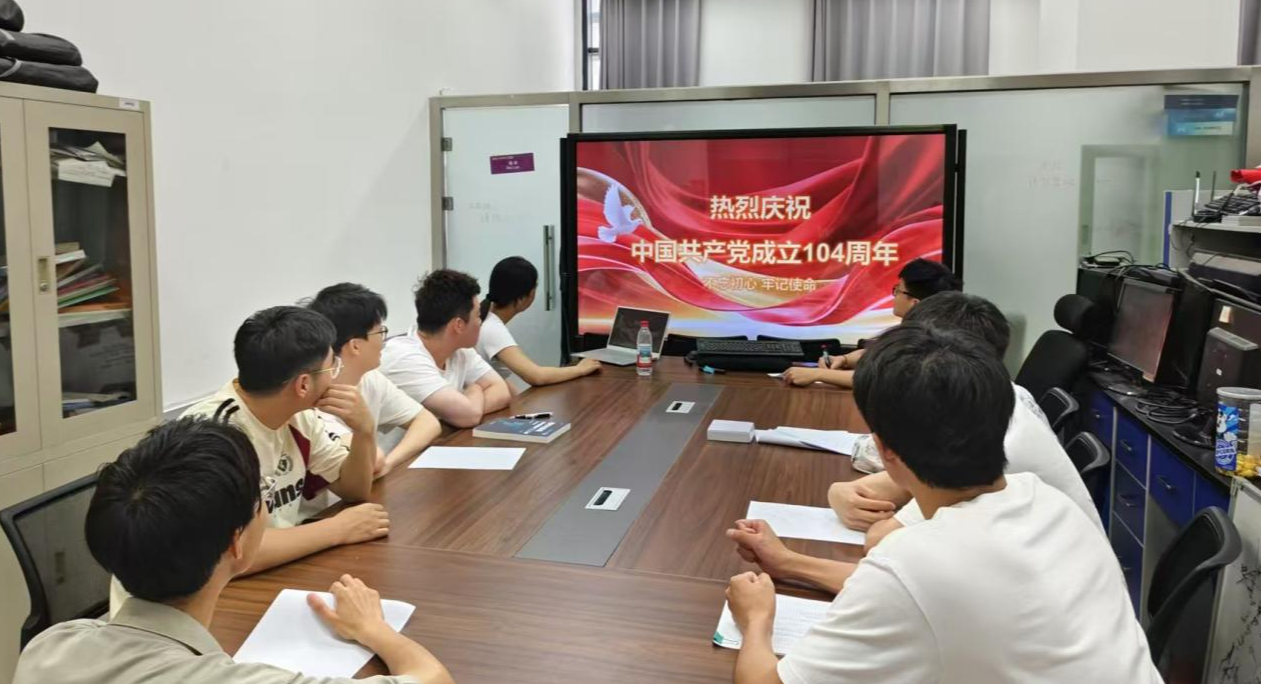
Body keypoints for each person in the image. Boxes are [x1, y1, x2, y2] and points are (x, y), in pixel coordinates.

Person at [724, 325, 1160, 684]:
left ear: (883, 450)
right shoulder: (1046, 501)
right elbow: (908, 591)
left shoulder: (913, 562)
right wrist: (788, 563)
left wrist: (757, 619)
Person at [15, 417, 452, 684]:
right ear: (236, 543)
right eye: (261, 497)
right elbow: (432, 679)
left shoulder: (49, 647)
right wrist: (374, 629)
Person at [108, 307, 390, 611]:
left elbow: (353, 489)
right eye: (331, 365)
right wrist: (338, 529)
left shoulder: (299, 417)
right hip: (176, 606)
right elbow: (231, 552)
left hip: (243, 580)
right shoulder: (216, 435)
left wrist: (364, 431)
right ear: (303, 385)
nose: (336, 372)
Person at [827, 292, 1098, 541]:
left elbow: (881, 538)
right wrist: (839, 493)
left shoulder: (992, 438)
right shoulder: (991, 401)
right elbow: (899, 483)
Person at [306, 283, 442, 476]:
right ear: (355, 346)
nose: (383, 341)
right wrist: (375, 449)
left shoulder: (369, 377)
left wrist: (390, 463)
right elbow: (373, 461)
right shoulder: (314, 400)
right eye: (380, 332)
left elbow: (427, 422)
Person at [782, 258, 960, 388]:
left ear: (914, 303)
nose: (894, 296)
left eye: (898, 290)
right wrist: (843, 359)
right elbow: (879, 353)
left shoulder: (931, 339)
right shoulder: (926, 326)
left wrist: (817, 374)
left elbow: (880, 378)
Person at [380, 269, 512, 428]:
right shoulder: (404, 357)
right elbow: (468, 416)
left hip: (441, 440)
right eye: (477, 316)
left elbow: (502, 391)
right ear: (458, 325)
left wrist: (467, 407)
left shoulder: (461, 350)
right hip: (401, 445)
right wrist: (475, 389)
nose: (480, 322)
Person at [476, 256, 601, 389]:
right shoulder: (492, 329)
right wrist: (580, 369)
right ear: (521, 299)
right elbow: (536, 376)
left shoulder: (486, 318)